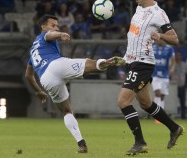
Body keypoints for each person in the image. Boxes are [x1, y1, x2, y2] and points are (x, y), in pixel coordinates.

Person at [25, 14, 125, 153]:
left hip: (45, 79)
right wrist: (61, 34)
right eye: (53, 25)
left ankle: (81, 144)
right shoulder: (44, 35)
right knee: (88, 63)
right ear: (43, 26)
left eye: (57, 25)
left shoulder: (33, 50)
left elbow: (28, 75)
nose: (56, 27)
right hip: (55, 65)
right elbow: (50, 35)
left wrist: (38, 91)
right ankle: (104, 63)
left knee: (66, 111)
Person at [116, 0, 184, 156]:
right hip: (131, 61)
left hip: (143, 63)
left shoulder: (158, 13)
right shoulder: (138, 9)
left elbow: (175, 39)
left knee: (123, 101)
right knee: (146, 103)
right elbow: (134, 37)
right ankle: (174, 128)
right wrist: (124, 58)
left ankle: (140, 142)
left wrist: (159, 36)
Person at [151, 40, 175, 122]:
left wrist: (172, 68)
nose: (158, 41)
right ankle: (156, 114)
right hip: (155, 75)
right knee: (157, 93)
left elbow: (173, 60)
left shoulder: (169, 48)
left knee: (162, 96)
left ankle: (161, 114)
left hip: (165, 75)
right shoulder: (153, 48)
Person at [172, 52, 187, 119]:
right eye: (176, 55)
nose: (178, 57)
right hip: (174, 86)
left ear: (181, 56)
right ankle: (173, 115)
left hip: (182, 85)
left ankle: (183, 116)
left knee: (183, 102)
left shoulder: (184, 65)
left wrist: (186, 84)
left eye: (179, 55)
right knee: (173, 102)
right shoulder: (173, 65)